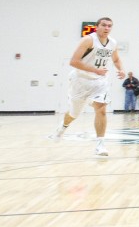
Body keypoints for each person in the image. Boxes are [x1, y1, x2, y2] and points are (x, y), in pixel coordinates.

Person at [51, 17, 125, 157]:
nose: (106, 28)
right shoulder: (88, 40)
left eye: (109, 26)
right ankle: (63, 127)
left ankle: (100, 144)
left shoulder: (113, 43)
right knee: (74, 114)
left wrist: (120, 69)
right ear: (97, 27)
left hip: (99, 82)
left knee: (101, 109)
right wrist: (94, 70)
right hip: (80, 80)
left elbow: (115, 59)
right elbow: (73, 62)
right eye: (103, 25)